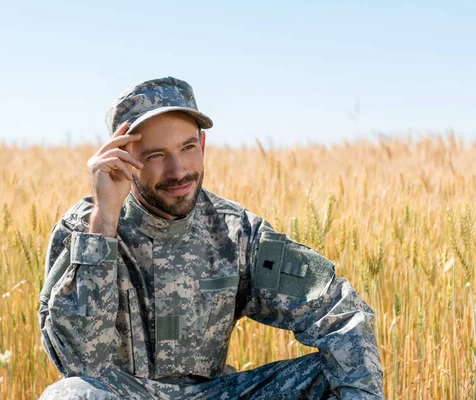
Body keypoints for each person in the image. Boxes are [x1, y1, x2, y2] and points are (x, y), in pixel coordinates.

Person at [38, 76, 384, 399]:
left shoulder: (237, 231)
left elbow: (342, 311)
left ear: (202, 143)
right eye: (156, 155)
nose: (179, 171)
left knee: (334, 370)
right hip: (126, 395)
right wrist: (104, 224)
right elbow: (82, 363)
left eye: (188, 147)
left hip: (217, 393)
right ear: (124, 158)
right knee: (70, 395)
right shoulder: (82, 231)